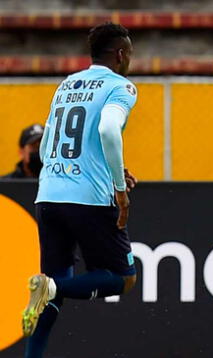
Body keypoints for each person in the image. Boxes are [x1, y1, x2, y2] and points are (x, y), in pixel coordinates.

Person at [21, 22, 139, 358]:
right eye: (129, 53)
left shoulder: (66, 84)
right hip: (87, 198)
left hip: (48, 195)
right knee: (122, 277)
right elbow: (108, 130)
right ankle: (52, 287)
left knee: (53, 286)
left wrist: (107, 165)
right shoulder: (121, 87)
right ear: (120, 54)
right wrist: (119, 187)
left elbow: (45, 150)